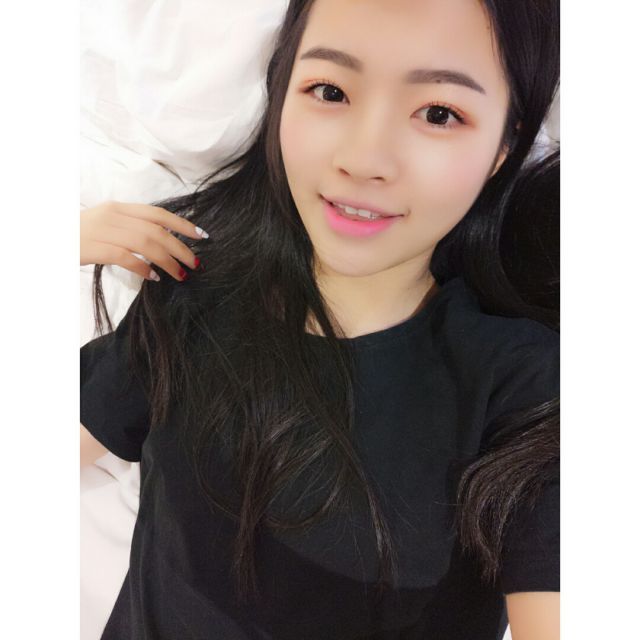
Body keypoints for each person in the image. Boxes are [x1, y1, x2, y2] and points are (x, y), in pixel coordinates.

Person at [80, 0, 560, 637]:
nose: (364, 159)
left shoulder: (527, 390)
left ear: (504, 147)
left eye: (439, 113)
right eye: (330, 91)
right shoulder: (194, 289)